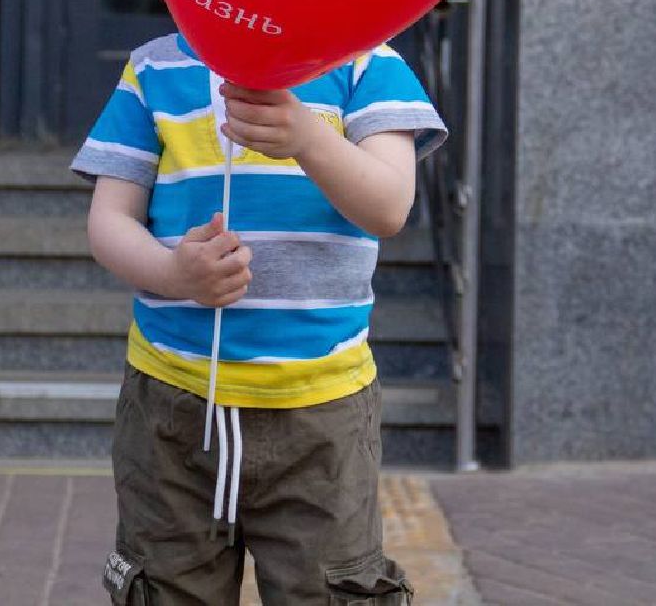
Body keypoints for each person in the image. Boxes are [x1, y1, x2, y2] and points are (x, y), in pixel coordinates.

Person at [73, 34, 443, 604]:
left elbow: (390, 206)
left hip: (321, 407)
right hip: (174, 400)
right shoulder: (153, 69)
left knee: (327, 589)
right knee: (169, 587)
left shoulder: (367, 61)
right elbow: (109, 221)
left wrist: (308, 138)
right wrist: (174, 275)